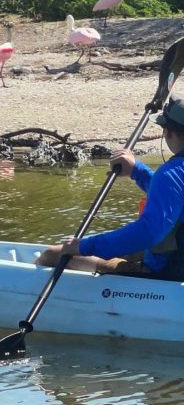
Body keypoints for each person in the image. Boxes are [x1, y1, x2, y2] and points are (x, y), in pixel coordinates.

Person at [35, 92, 184, 280]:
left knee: (51, 255)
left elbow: (148, 232)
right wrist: (137, 171)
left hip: (164, 274)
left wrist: (84, 246)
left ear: (168, 132)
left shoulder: (170, 174)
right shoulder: (173, 177)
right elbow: (173, 196)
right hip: (174, 260)